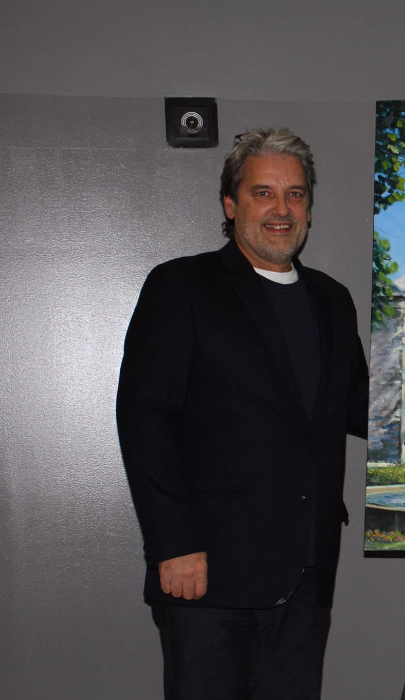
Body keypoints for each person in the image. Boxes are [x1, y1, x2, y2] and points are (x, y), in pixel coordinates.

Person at [116, 127, 369, 700]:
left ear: (309, 208)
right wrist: (172, 544)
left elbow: (358, 406)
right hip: (208, 574)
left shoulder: (333, 300)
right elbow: (144, 419)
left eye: (296, 194)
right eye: (263, 193)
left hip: (307, 573)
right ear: (231, 205)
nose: (282, 209)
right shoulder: (181, 286)